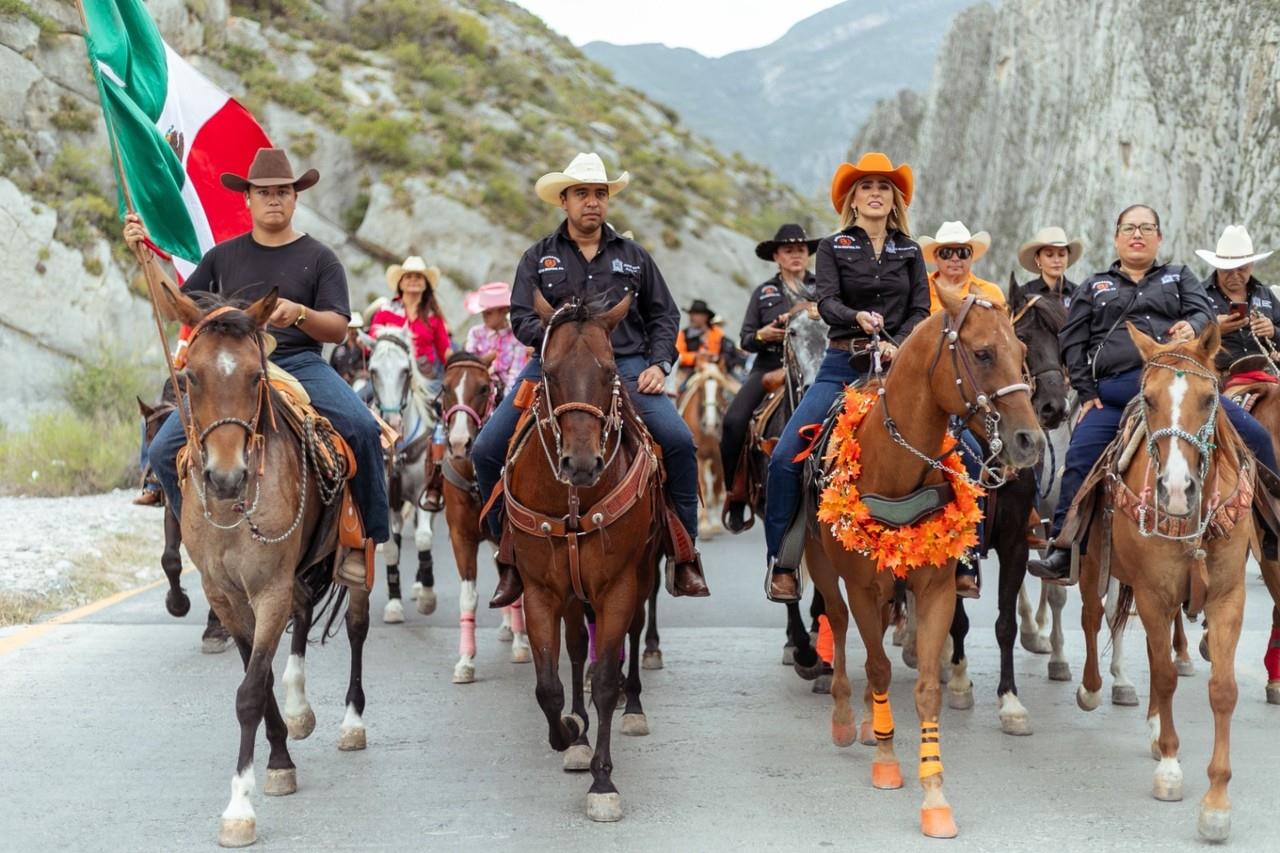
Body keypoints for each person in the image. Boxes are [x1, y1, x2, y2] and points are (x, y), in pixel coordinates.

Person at [125, 147, 389, 586]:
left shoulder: (321, 257)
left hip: (299, 363)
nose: (273, 199)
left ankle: (366, 538)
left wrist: (298, 313)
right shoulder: (223, 257)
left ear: (295, 198)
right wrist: (144, 255)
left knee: (362, 429)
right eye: (263, 192)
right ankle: (197, 536)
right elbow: (177, 307)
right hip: (232, 373)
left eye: (283, 191)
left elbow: (338, 328)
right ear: (246, 198)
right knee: (161, 451)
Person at [471, 152, 710, 605]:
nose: (592, 203)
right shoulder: (538, 258)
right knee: (485, 449)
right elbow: (522, 317)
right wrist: (561, 337)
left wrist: (660, 364)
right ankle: (510, 555)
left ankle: (685, 554)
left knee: (679, 441)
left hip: (627, 366)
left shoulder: (634, 257)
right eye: (582, 194)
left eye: (599, 194)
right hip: (554, 368)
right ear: (564, 200)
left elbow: (664, 315)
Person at [1029, 205, 1280, 582]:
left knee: (1258, 436)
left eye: (1147, 228)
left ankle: (1272, 528)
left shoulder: (1179, 277)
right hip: (1115, 394)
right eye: (1129, 227)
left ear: (1158, 238)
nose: (1138, 234)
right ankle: (1064, 547)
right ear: (1116, 237)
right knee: (1080, 455)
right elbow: (1071, 341)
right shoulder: (1095, 286)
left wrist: (1189, 326)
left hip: (1180, 390)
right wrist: (1086, 391)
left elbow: (1203, 314)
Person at [766, 153, 928, 602]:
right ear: (852, 199)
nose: (875, 193)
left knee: (962, 450)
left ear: (894, 199)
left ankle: (965, 562)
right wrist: (857, 317)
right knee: (785, 457)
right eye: (866, 186)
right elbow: (827, 302)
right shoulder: (834, 247)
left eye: (883, 186)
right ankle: (782, 563)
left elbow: (920, 309)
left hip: (899, 369)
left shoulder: (910, 251)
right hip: (841, 365)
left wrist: (902, 342)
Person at [919, 220, 1005, 599]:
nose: (955, 258)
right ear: (936, 257)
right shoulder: (920, 289)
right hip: (925, 387)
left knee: (971, 453)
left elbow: (1002, 343)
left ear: (972, 256)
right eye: (947, 252)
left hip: (972, 390)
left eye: (962, 252)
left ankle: (969, 556)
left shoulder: (990, 292)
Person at [720, 223, 820, 532]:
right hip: (769, 367)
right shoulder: (763, 293)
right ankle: (736, 493)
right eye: (788, 250)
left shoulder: (824, 288)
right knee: (734, 421)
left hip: (815, 366)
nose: (795, 255)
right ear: (776, 256)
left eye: (800, 250)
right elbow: (746, 338)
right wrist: (764, 334)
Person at [1196, 225, 1279, 365]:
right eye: (1227, 270)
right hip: (1218, 376)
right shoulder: (1199, 295)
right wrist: (1214, 332)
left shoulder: (1265, 294)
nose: (1235, 275)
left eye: (1242, 269)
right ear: (1217, 267)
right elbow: (1183, 340)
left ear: (1251, 266)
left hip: (1266, 371)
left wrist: (1273, 332)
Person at [369, 256, 451, 382]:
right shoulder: (385, 311)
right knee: (359, 398)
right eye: (408, 276)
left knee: (440, 401)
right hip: (389, 374)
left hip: (425, 376)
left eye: (418, 277)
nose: (413, 279)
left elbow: (444, 352)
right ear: (400, 284)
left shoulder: (434, 317)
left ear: (425, 285)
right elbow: (372, 342)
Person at [462, 281, 529, 396]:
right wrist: (484, 361)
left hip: (507, 391)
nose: (484, 317)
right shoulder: (475, 333)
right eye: (483, 312)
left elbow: (516, 373)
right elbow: (469, 366)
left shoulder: (516, 336)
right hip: (478, 392)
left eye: (488, 313)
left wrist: (506, 399)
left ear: (504, 311)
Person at [1018, 226, 1083, 305]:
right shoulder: (1024, 293)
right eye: (1049, 255)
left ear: (1068, 257)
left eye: (1061, 255)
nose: (1056, 260)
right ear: (1037, 259)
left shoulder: (1078, 294)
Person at [675, 299, 724, 382]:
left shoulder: (717, 333)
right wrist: (696, 357)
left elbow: (725, 352)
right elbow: (679, 356)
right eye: (691, 314)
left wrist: (715, 358)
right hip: (688, 371)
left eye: (696, 314)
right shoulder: (683, 334)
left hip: (713, 369)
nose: (691, 317)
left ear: (705, 317)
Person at [329, 311, 371, 385]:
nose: (353, 332)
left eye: (356, 329)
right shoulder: (338, 350)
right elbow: (331, 370)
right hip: (341, 385)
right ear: (347, 329)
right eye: (351, 328)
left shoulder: (366, 350)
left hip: (360, 386)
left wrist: (364, 349)